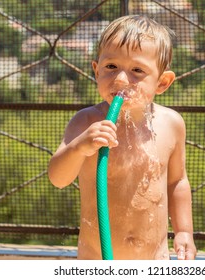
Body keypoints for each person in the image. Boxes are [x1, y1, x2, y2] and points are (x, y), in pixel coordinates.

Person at [48, 15, 196, 260]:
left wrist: (184, 231)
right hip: (97, 259)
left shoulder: (172, 124)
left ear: (162, 82)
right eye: (111, 67)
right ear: (96, 70)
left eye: (137, 70)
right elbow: (58, 179)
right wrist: (79, 147)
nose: (121, 80)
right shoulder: (86, 121)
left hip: (155, 259)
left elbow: (177, 182)